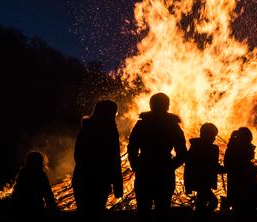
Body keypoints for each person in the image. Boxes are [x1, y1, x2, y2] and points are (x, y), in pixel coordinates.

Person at [128, 93, 187, 222]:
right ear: (167, 105)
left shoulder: (142, 125)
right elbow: (182, 153)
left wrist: (136, 165)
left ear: (151, 105)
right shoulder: (173, 126)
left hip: (145, 171)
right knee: (163, 211)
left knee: (143, 211)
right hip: (163, 173)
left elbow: (132, 148)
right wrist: (170, 166)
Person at [72, 100, 123, 222]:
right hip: (100, 182)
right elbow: (114, 159)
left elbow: (78, 155)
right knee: (96, 216)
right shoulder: (110, 131)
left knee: (84, 215)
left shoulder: (86, 128)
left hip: (81, 180)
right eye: (114, 113)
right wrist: (118, 186)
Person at [224, 127, 257, 221]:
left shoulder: (231, 150)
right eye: (249, 141)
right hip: (244, 195)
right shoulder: (240, 151)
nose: (251, 145)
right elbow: (245, 176)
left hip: (235, 192)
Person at [184, 123, 224, 222]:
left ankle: (199, 218)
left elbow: (213, 166)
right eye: (212, 136)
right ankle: (201, 219)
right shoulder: (200, 148)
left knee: (201, 204)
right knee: (212, 202)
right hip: (202, 182)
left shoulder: (198, 147)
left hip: (202, 183)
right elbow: (191, 166)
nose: (214, 138)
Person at [12, 151, 57, 219]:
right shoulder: (40, 174)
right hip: (36, 208)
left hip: (21, 209)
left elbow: (16, 192)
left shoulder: (23, 172)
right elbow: (48, 193)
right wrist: (53, 209)